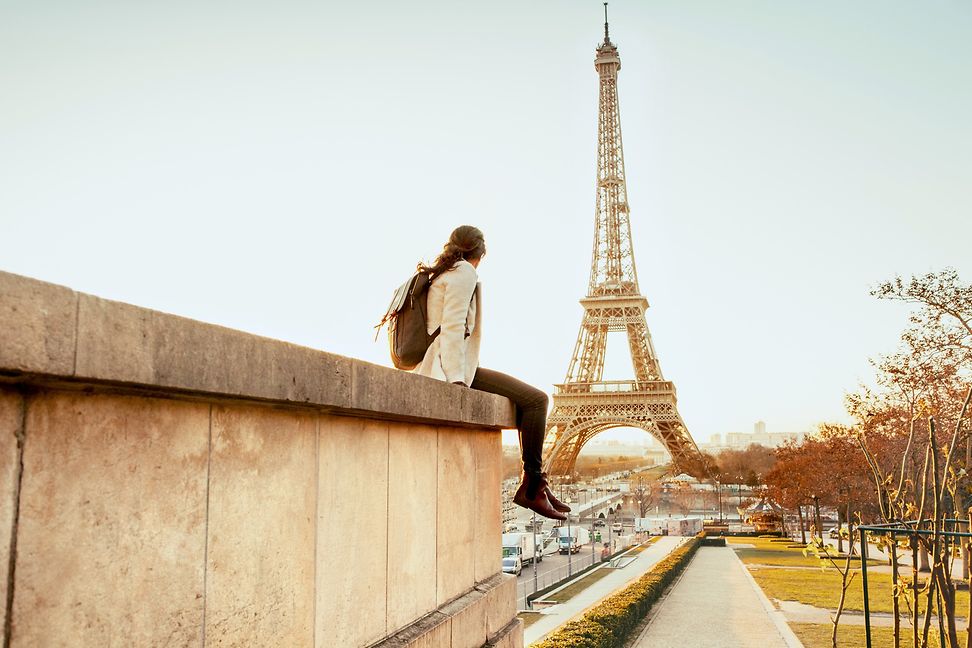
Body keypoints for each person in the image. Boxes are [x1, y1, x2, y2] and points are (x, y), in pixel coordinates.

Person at [413, 225, 569, 521]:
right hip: (450, 369)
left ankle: (535, 484)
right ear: (479, 254)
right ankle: (534, 485)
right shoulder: (463, 273)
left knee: (530, 401)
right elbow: (454, 326)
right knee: (536, 400)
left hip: (445, 365)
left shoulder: (443, 273)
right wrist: (458, 380)